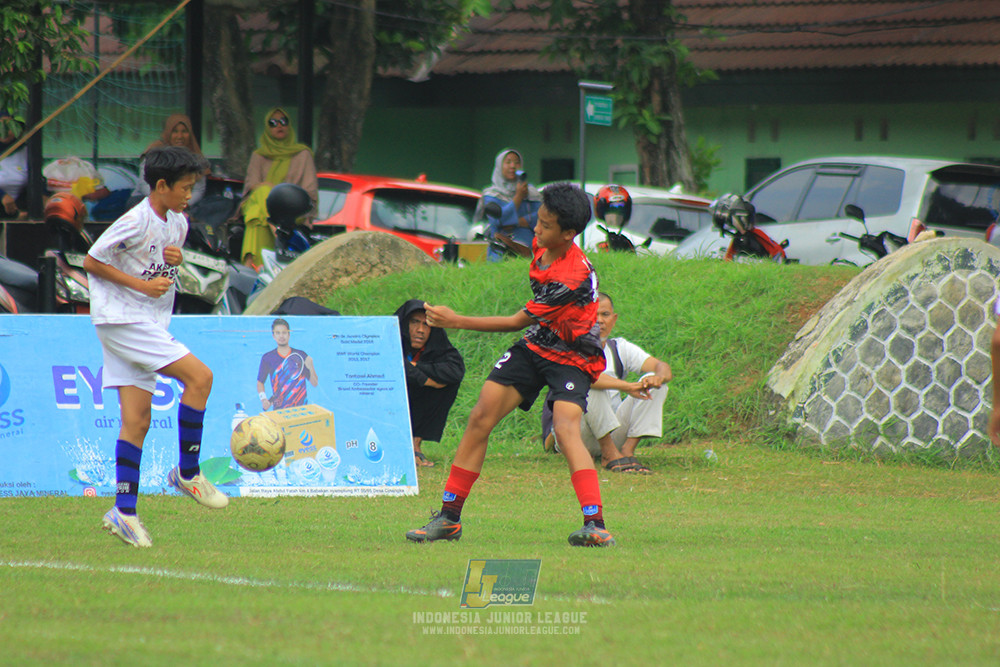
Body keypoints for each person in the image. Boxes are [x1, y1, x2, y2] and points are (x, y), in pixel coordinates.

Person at [405, 182, 615, 547]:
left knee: (566, 430)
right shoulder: (543, 243)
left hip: (573, 355)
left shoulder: (572, 275)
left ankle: (595, 524)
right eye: (539, 220)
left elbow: (517, 321)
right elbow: (535, 309)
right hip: (538, 346)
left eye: (546, 226)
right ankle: (449, 518)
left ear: (568, 234)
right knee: (480, 417)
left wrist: (455, 320)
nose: (536, 229)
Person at [83, 145, 227, 549]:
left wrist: (173, 259)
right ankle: (187, 470)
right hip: (123, 318)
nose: (189, 195)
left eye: (193, 187)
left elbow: (158, 261)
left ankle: (123, 512)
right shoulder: (135, 218)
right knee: (200, 378)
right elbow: (93, 261)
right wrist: (143, 286)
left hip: (142, 321)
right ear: (160, 185)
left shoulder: (176, 222)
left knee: (137, 421)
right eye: (184, 188)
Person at [543, 292, 672, 474]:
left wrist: (657, 377)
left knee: (656, 383)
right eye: (593, 315)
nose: (600, 321)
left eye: (605, 315)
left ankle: (626, 451)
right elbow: (588, 377)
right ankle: (608, 454)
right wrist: (628, 387)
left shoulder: (619, 348)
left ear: (614, 318)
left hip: (612, 431)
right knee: (587, 385)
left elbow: (662, 366)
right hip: (577, 435)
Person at [241, 108, 318, 267]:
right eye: (273, 123)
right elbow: (251, 187)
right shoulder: (259, 155)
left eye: (283, 121)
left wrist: (283, 194)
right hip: (262, 204)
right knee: (262, 193)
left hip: (293, 208)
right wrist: (269, 189)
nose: (279, 126)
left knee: (256, 219)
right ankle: (276, 228)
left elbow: (310, 192)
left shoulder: (303, 155)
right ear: (267, 128)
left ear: (289, 126)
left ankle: (253, 263)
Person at [395, 299, 465, 468]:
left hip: (417, 400)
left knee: (448, 382)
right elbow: (393, 363)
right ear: (404, 324)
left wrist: (416, 366)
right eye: (414, 322)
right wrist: (427, 381)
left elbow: (456, 370)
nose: (420, 330)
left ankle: (414, 444)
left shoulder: (436, 345)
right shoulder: (390, 339)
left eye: (426, 325)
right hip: (383, 399)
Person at [129, 113, 209, 207]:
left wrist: (183, 204)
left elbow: (198, 190)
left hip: (184, 203)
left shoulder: (195, 157)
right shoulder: (154, 152)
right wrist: (167, 202)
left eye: (184, 131)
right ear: (168, 133)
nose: (180, 136)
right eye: (175, 131)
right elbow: (144, 186)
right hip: (150, 200)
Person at [478, 148, 541, 261]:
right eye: (508, 162)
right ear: (499, 166)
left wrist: (519, 221)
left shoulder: (531, 192)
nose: (513, 166)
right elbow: (498, 221)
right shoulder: (491, 194)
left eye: (517, 162)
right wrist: (518, 197)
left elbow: (541, 217)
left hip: (527, 251)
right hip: (499, 252)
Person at [257, 317, 318, 410]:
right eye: (278, 333)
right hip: (280, 411)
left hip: (302, 410)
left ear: (289, 334)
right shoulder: (267, 358)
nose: (281, 336)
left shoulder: (301, 355)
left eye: (284, 332)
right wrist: (264, 399)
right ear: (273, 335)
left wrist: (311, 367)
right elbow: (260, 382)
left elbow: (314, 383)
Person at [0, 111, 29, 220]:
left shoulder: (25, 151)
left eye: (9, 127)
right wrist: (2, 195)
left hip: (16, 210)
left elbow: (36, 179)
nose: (5, 132)